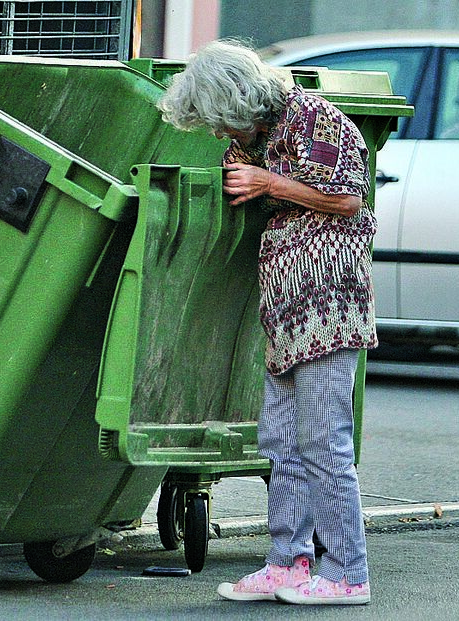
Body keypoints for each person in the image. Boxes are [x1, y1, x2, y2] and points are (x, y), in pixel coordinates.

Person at [157, 39, 376, 606]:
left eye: (218, 121)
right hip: (284, 310)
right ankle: (287, 563)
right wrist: (247, 173)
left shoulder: (314, 119)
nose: (216, 134)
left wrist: (268, 183)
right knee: (280, 441)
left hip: (327, 305)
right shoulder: (255, 136)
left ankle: (348, 572)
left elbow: (348, 199)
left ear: (238, 101)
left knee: (324, 441)